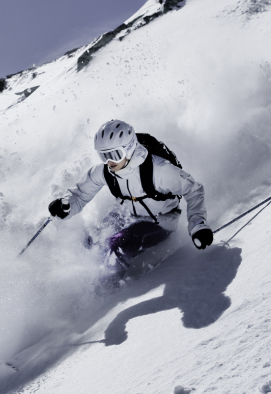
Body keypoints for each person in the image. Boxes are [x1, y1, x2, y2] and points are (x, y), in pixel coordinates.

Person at [48, 120, 213, 280]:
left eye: (114, 154)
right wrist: (67, 206)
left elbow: (194, 189)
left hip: (160, 221)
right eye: (103, 155)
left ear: (129, 149)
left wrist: (198, 224)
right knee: (90, 241)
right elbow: (80, 194)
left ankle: (107, 293)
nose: (109, 161)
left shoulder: (159, 170)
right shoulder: (105, 171)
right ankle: (79, 280)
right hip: (126, 213)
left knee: (113, 247)